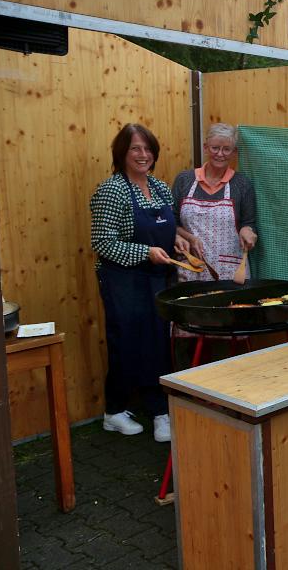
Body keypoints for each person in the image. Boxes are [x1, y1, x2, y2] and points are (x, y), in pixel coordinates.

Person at [90, 123, 189, 443]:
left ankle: (159, 411)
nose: (143, 155)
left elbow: (166, 227)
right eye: (135, 148)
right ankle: (114, 411)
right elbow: (103, 242)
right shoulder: (112, 191)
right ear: (122, 153)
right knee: (128, 342)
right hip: (123, 278)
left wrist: (178, 241)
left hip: (157, 276)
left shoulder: (159, 187)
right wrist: (146, 251)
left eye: (148, 149)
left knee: (158, 341)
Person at [173, 123, 257, 281]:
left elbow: (249, 222)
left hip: (231, 272)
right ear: (205, 148)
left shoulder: (242, 184)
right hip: (191, 268)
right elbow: (172, 222)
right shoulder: (184, 180)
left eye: (226, 149)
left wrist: (247, 231)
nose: (220, 154)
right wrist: (189, 238)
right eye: (215, 148)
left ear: (234, 153)